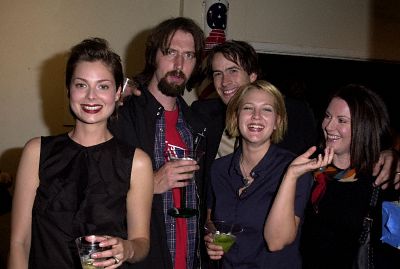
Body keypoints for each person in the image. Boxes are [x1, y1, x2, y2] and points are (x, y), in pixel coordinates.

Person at [8, 38, 153, 269]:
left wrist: (128, 248)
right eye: (81, 85)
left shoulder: (137, 162)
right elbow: (19, 242)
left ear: (117, 93)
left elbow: (142, 242)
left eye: (103, 86)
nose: (91, 97)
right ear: (68, 90)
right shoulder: (36, 152)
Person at [191, 40, 399, 200]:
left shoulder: (293, 113)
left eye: (233, 71)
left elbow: (329, 147)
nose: (225, 81)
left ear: (253, 75)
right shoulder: (203, 114)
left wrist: (387, 152)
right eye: (217, 73)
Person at [109, 17, 207, 269]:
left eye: (189, 55)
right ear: (153, 56)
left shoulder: (197, 125)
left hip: (188, 259)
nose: (179, 64)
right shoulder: (120, 115)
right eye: (170, 52)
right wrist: (149, 185)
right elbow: (93, 195)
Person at [270, 84, 399, 268]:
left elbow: (393, 247)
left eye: (342, 120)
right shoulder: (307, 168)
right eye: (328, 116)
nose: (329, 126)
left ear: (364, 126)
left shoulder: (383, 178)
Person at [204, 80, 330, 268]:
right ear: (235, 116)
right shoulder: (219, 169)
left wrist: (290, 176)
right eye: (248, 108)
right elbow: (211, 220)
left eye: (266, 110)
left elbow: (277, 242)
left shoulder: (296, 170)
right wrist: (212, 237)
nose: (256, 116)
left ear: (277, 122)